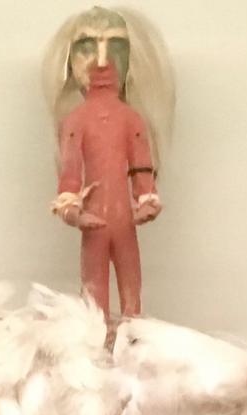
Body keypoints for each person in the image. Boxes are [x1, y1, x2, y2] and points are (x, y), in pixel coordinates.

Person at [42, 7, 174, 320]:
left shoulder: (131, 119)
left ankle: (131, 341)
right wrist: (72, 209)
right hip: (96, 223)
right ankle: (95, 347)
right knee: (93, 299)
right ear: (69, 59)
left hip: (123, 222)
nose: (102, 62)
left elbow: (141, 166)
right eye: (87, 46)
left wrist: (147, 197)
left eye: (115, 47)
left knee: (132, 295)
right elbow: (71, 175)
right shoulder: (76, 121)